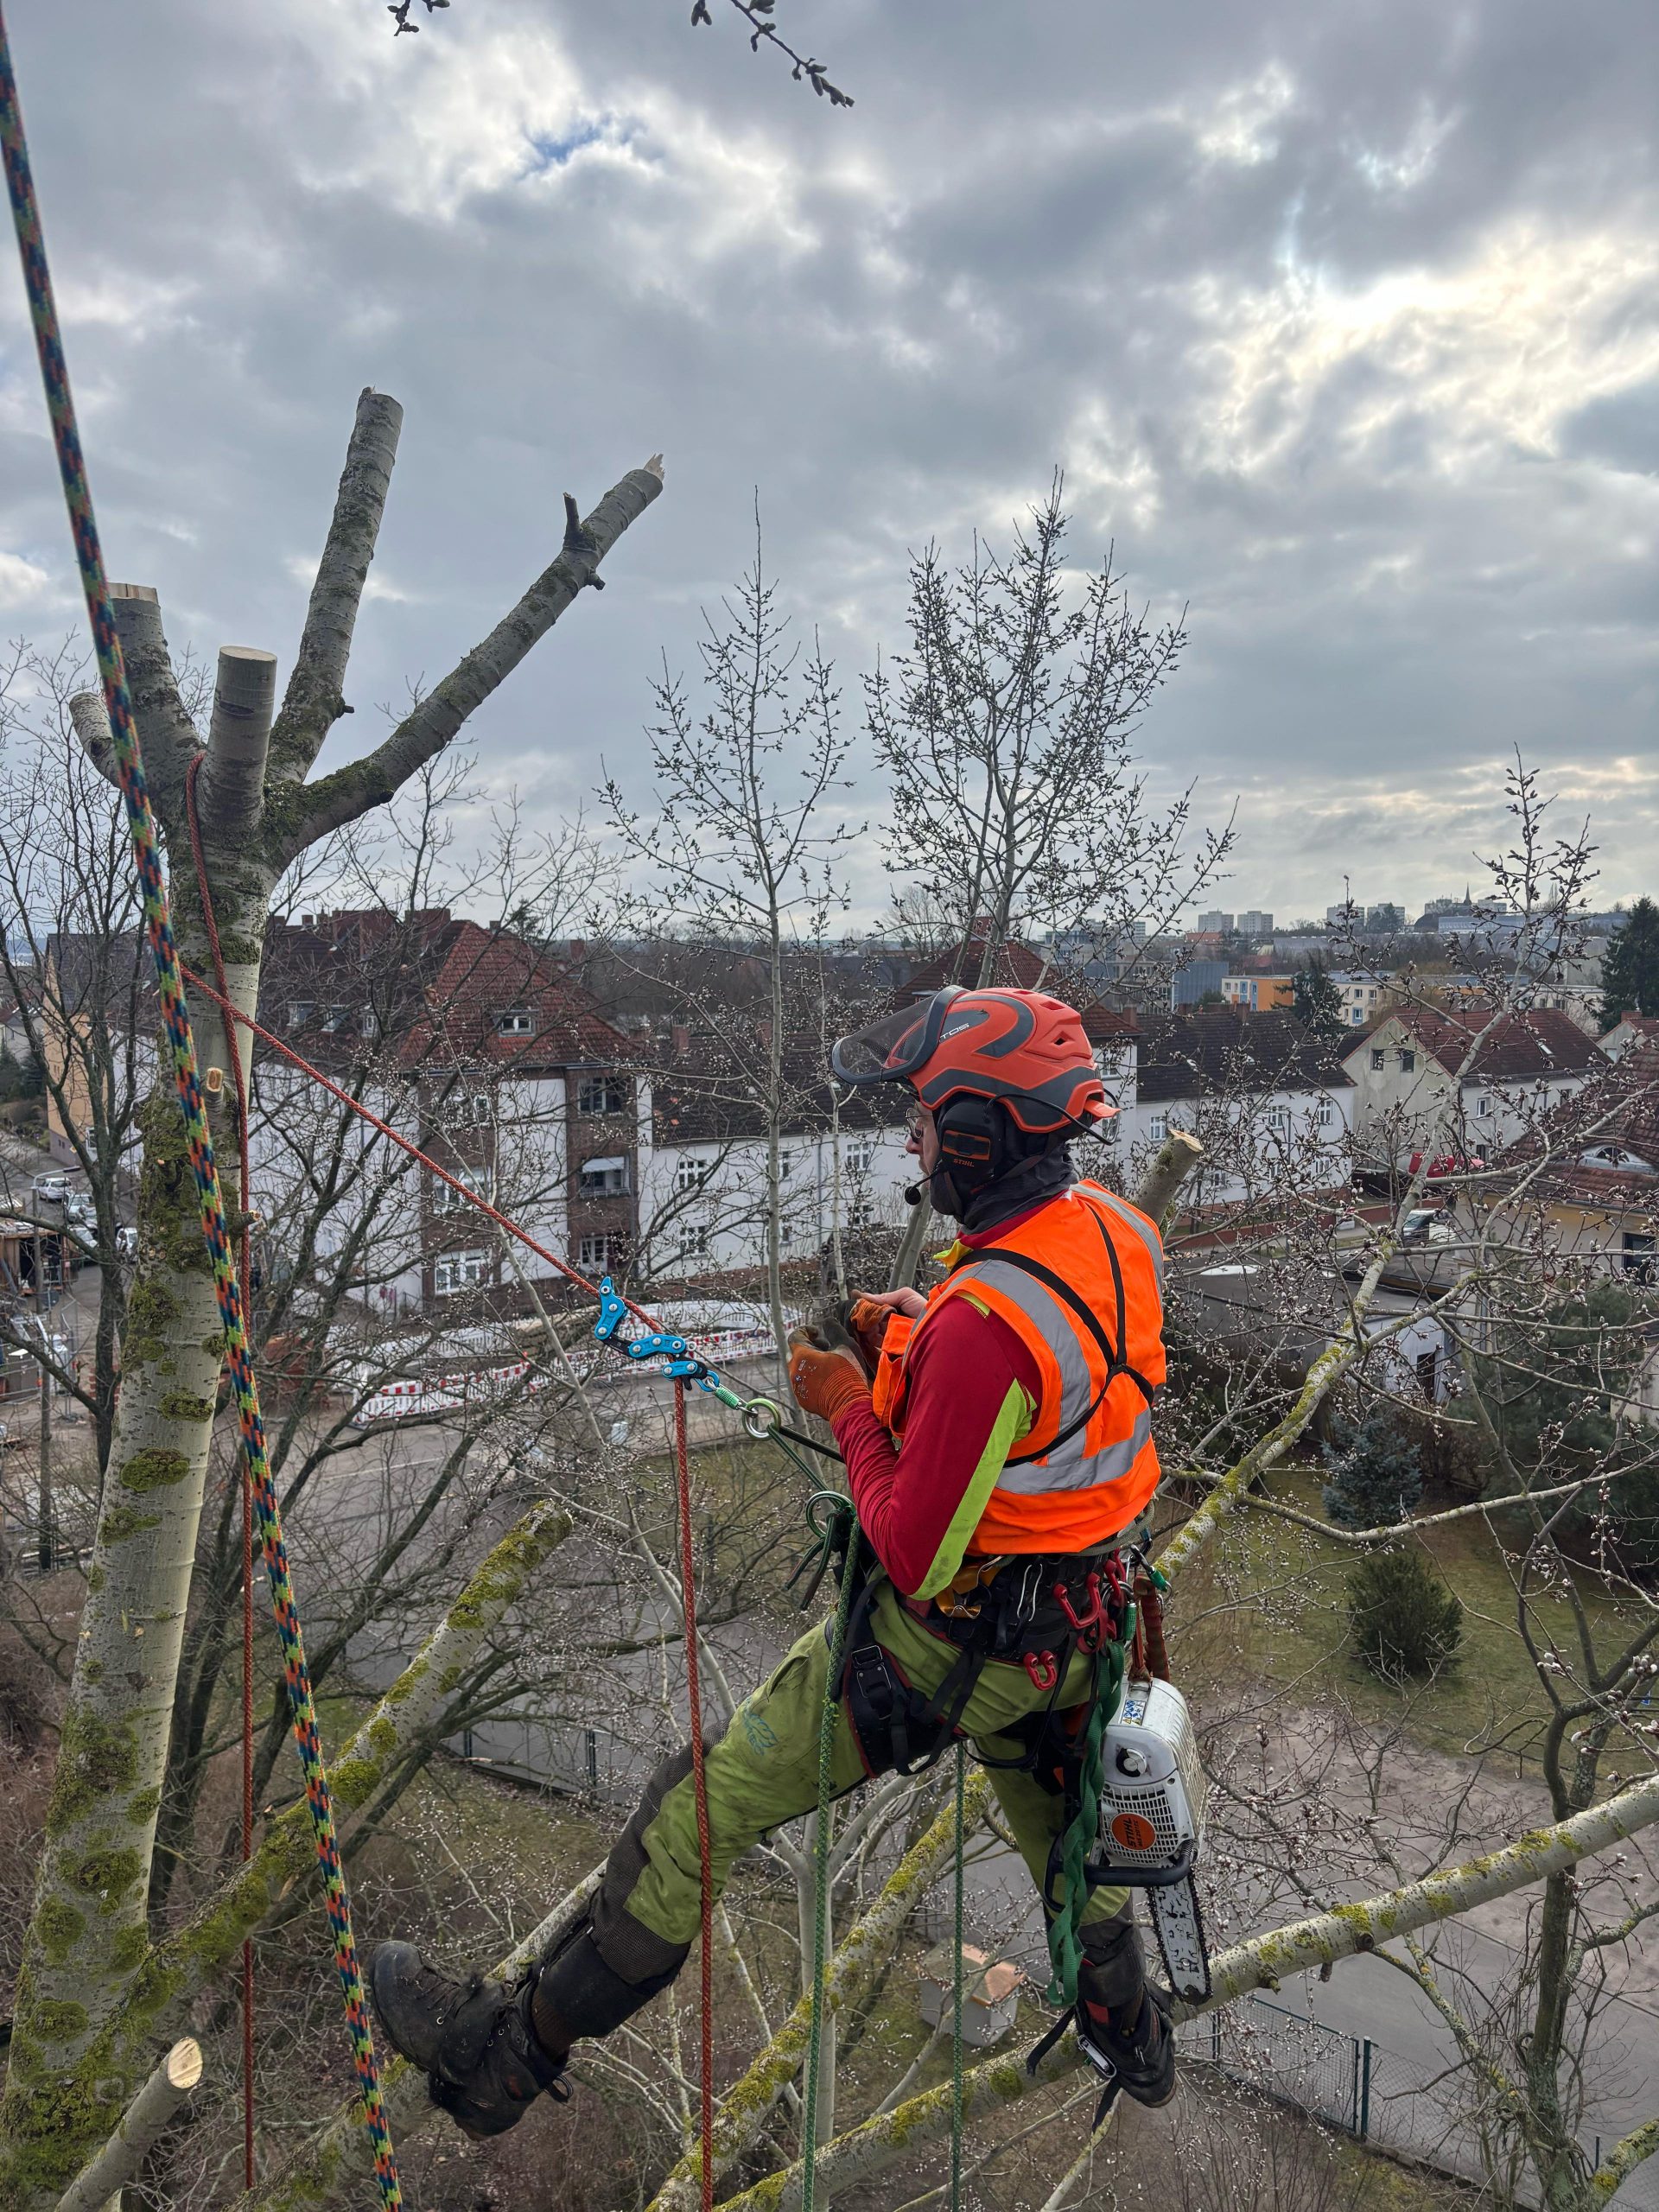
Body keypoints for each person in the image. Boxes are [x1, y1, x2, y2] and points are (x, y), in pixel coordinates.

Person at [369, 984, 1176, 2137]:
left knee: (698, 1810)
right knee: (1071, 1850)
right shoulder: (1113, 1230)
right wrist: (911, 1330)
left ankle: (500, 2061)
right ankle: (1129, 2033)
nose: (913, 1141)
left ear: (976, 1135)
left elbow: (913, 1545)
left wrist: (845, 1398)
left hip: (951, 1646)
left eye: (926, 1120)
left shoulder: (985, 1326)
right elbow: (1055, 1393)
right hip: (1081, 1626)